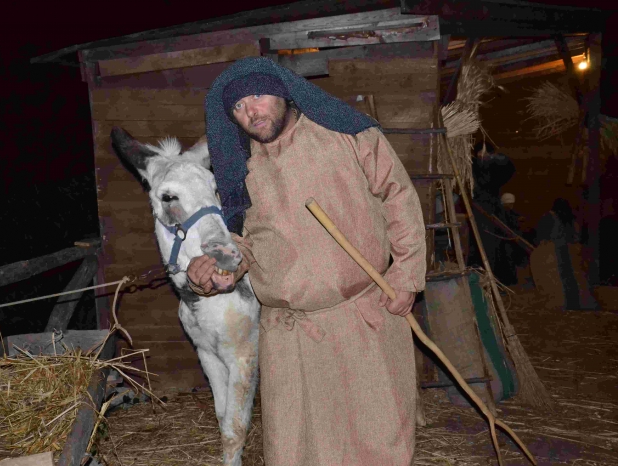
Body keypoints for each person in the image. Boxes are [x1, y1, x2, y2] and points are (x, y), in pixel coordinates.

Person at [187, 57, 426, 465]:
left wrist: (405, 275)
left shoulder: (348, 134)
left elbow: (398, 197)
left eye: (257, 97)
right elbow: (240, 243)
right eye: (239, 108)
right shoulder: (238, 169)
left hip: (361, 317)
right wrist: (215, 269)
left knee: (377, 439)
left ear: (282, 91)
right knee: (299, 451)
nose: (251, 112)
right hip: (289, 335)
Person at [468, 142, 515, 283]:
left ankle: (497, 279)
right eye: (480, 154)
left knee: (496, 246)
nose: (483, 157)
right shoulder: (473, 167)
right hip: (478, 211)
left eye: (486, 154)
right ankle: (480, 277)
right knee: (480, 244)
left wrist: (491, 158)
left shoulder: (496, 167)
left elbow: (508, 167)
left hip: (493, 210)